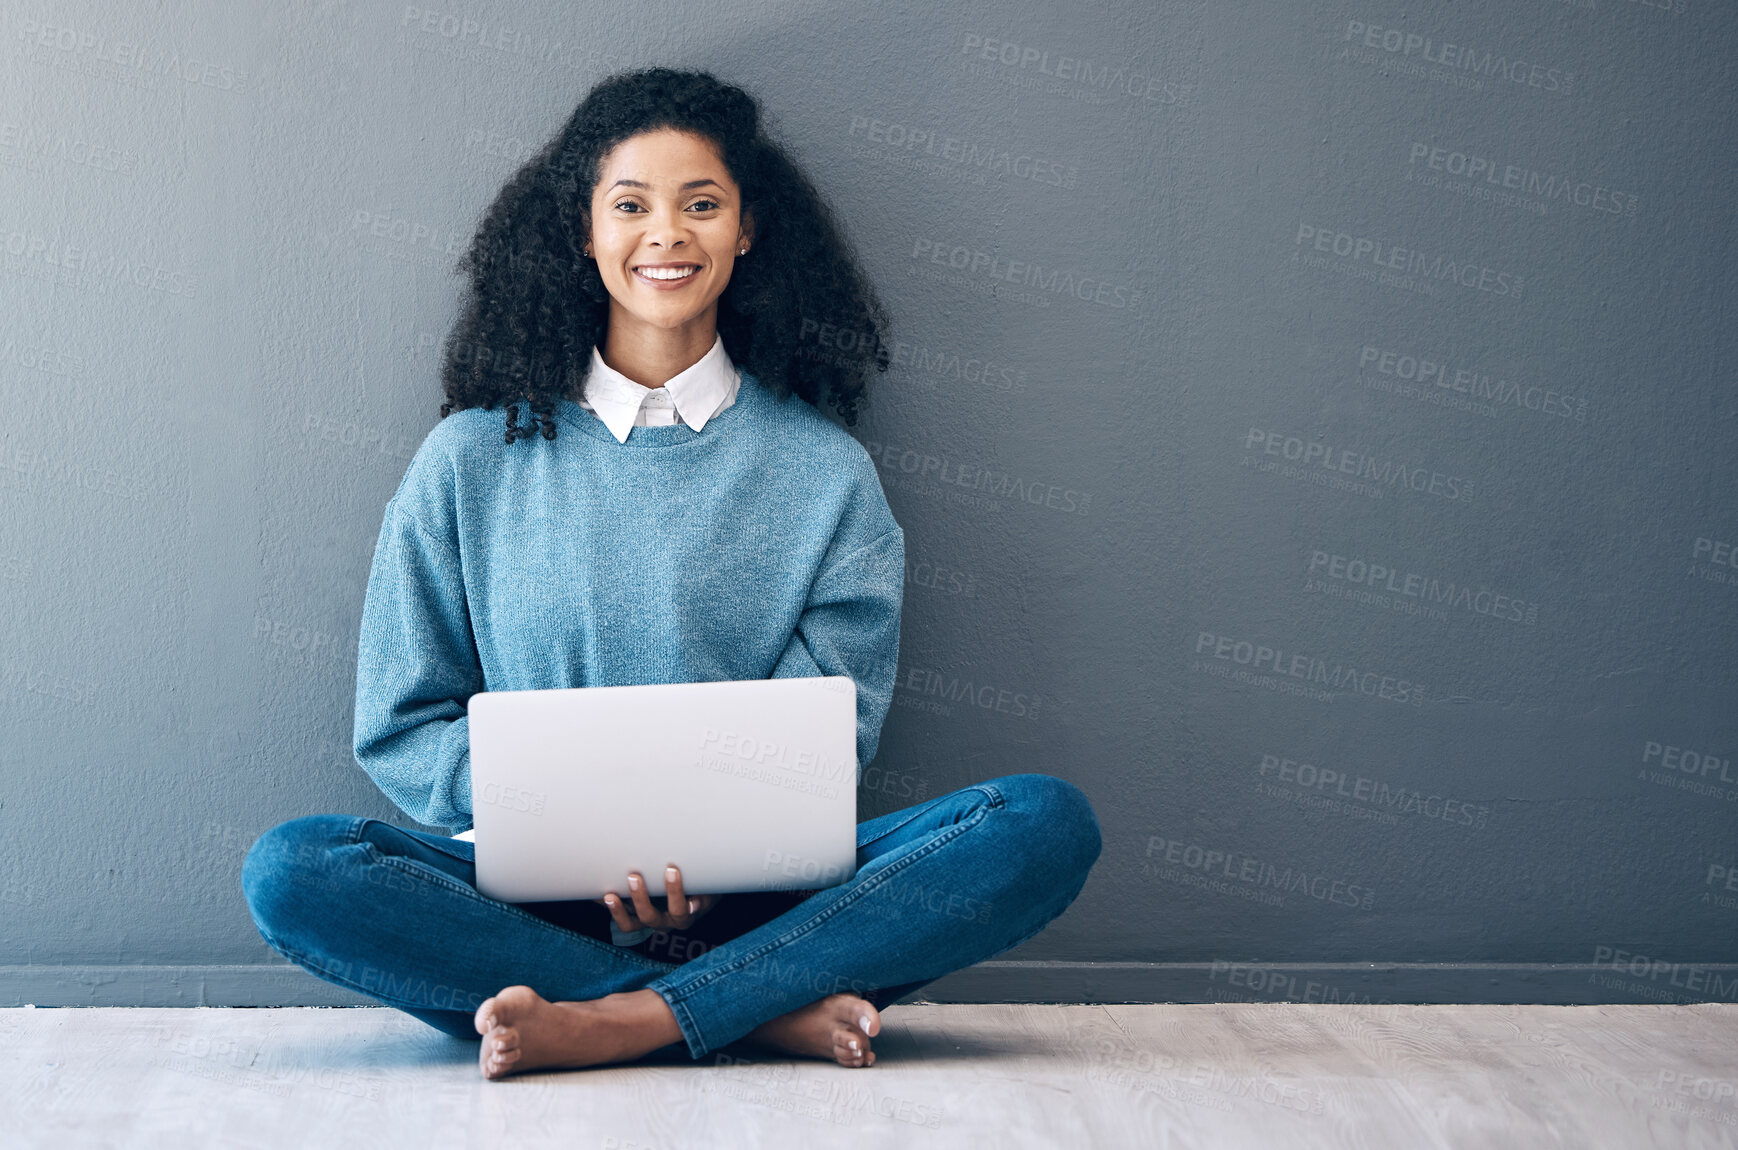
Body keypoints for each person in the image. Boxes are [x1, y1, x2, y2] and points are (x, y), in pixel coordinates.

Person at [241, 67, 1102, 1081]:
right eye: (630, 205)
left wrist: (706, 857)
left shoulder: (826, 474)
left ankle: (614, 1021)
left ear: (747, 231)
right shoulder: (469, 460)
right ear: (583, 232)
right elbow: (404, 718)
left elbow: (828, 732)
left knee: (1041, 825)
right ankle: (749, 1011)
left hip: (760, 897)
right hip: (528, 892)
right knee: (296, 871)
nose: (667, 234)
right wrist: (583, 841)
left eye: (702, 204)